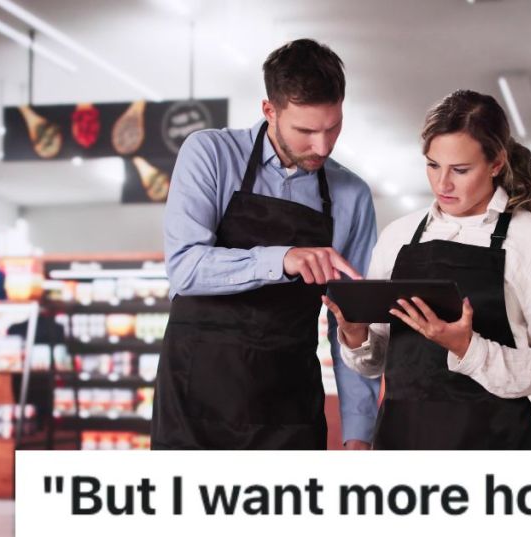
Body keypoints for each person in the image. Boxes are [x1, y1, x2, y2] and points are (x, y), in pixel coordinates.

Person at [152, 39, 380, 450]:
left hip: (289, 407)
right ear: (269, 111)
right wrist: (282, 259)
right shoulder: (211, 155)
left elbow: (350, 319)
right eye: (306, 131)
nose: (322, 146)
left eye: (333, 127)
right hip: (195, 404)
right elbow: (185, 268)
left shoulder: (351, 195)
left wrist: (358, 431)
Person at [323, 90, 531, 449]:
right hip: (401, 442)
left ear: (496, 164)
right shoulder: (398, 236)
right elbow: (373, 364)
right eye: (432, 165)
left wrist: (469, 349)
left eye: (460, 170)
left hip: (492, 444)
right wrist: (355, 334)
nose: (442, 184)